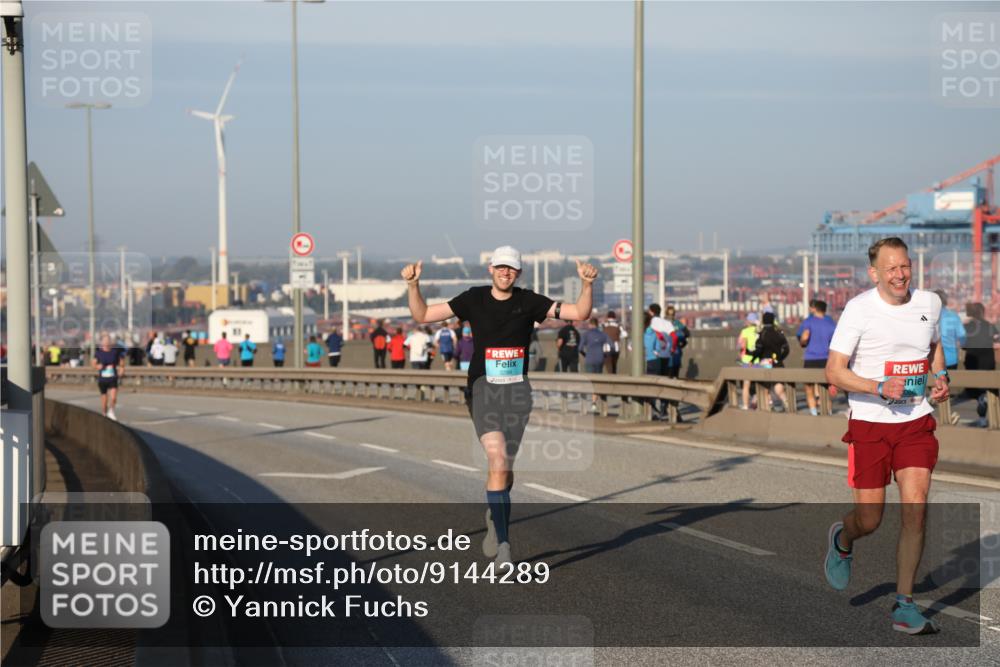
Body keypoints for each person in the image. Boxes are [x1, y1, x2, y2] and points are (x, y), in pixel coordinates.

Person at [401, 245, 597, 567]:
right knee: (497, 457)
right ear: (491, 269)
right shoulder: (473, 298)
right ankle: (505, 547)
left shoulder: (529, 301)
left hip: (517, 393)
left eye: (512, 269)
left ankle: (495, 515)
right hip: (483, 389)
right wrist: (413, 285)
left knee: (504, 470)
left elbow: (578, 313)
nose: (505, 273)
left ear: (518, 273)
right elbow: (423, 315)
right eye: (500, 267)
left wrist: (587, 285)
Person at [823, 237, 949, 636]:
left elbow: (934, 347)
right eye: (891, 268)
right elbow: (834, 371)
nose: (900, 274)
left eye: (905, 266)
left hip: (915, 420)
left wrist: (940, 377)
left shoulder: (929, 303)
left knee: (916, 509)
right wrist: (878, 387)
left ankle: (905, 605)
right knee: (870, 519)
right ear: (874, 273)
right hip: (870, 424)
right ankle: (844, 538)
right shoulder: (859, 310)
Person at [797, 299, 837, 416]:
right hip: (826, 359)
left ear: (814, 309)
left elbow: (803, 339)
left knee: (809, 387)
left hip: (811, 358)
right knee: (824, 388)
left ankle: (813, 412)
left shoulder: (808, 322)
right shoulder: (831, 323)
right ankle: (828, 412)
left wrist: (803, 341)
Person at [963, 302, 999, 428]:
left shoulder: (967, 327)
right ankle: (985, 413)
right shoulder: (989, 326)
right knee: (987, 388)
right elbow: (997, 340)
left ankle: (982, 414)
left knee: (975, 389)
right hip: (988, 360)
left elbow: (963, 343)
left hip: (972, 360)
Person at [750, 312, 789, 411]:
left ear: (763, 321)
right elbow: (786, 349)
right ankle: (787, 404)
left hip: (765, 363)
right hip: (777, 363)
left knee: (764, 388)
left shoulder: (762, 334)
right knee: (779, 387)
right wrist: (779, 358)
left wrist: (753, 359)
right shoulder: (779, 333)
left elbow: (758, 350)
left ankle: (770, 406)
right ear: (773, 320)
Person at [93, 334, 126, 421]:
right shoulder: (99, 353)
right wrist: (97, 366)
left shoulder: (115, 352)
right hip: (103, 379)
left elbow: (121, 361)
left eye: (108, 341)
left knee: (114, 397)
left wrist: (122, 368)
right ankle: (104, 413)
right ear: (102, 343)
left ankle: (111, 411)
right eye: (105, 341)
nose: (106, 343)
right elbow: (93, 363)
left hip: (113, 377)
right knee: (104, 401)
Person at [934, 290, 966, 371]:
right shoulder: (954, 316)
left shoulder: (925, 317)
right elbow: (962, 338)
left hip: (932, 360)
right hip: (951, 360)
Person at [737, 313, 760, 410]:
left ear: (749, 321)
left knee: (746, 384)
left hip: (747, 360)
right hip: (759, 360)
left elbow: (739, 346)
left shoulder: (744, 331)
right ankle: (756, 401)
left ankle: (746, 405)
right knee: (760, 384)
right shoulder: (759, 331)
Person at [664, 306, 690, 379]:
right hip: (673, 351)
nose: (670, 316)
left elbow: (687, 333)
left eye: (671, 314)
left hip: (670, 352)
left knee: (670, 374)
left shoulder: (667, 323)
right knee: (672, 373)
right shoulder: (676, 323)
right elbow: (686, 334)